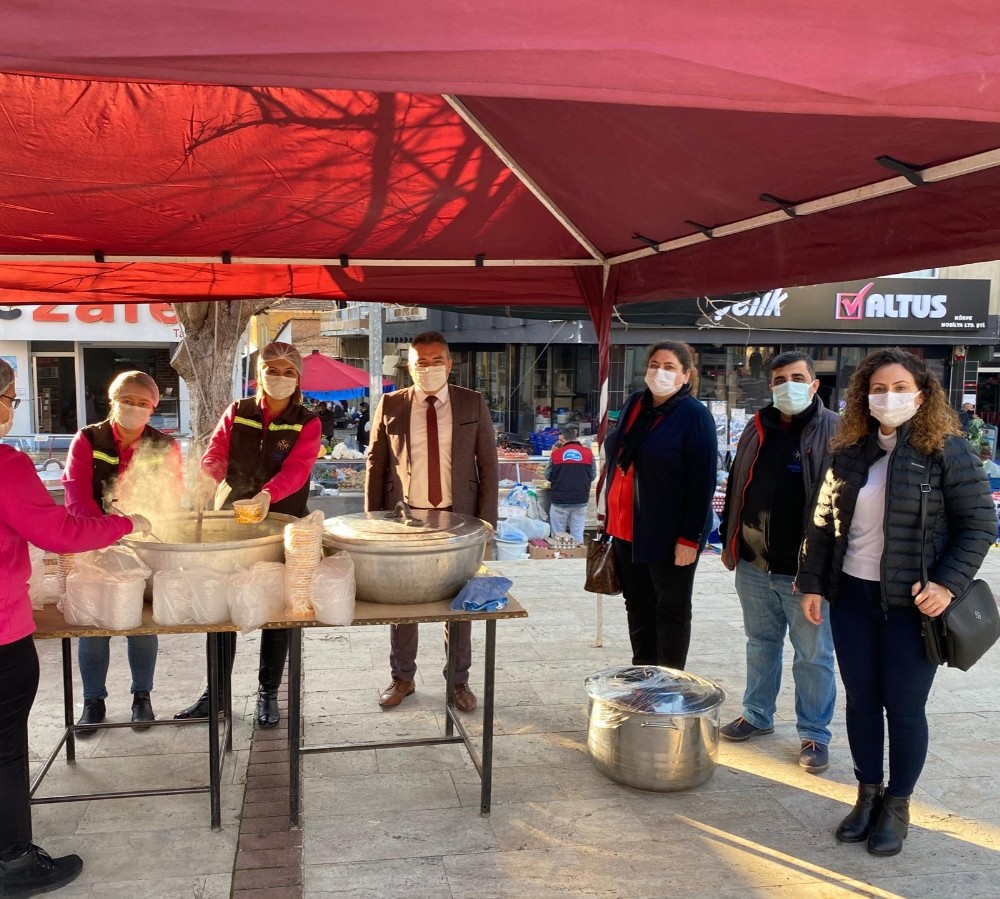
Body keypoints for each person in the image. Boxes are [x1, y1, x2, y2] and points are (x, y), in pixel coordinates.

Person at [798, 348, 994, 857]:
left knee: (904, 709)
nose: (889, 397)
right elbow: (822, 523)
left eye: (900, 388)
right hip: (852, 598)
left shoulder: (947, 450)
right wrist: (812, 583)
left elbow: (980, 525)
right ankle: (867, 795)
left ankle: (898, 805)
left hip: (913, 606)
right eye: (878, 389)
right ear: (864, 396)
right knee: (862, 703)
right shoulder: (851, 449)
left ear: (922, 395)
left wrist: (947, 584)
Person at [0, 359, 150, 897]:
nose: (11, 408)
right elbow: (59, 530)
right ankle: (13, 861)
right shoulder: (9, 465)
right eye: (12, 396)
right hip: (2, 633)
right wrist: (126, 524)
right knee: (5, 749)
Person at [176, 341, 321, 728]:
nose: (280, 377)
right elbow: (217, 452)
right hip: (232, 523)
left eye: (288, 372)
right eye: (272, 369)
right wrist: (207, 478)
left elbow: (299, 468)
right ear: (259, 374)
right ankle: (216, 694)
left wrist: (267, 494)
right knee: (221, 605)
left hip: (282, 521)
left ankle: (268, 693)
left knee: (277, 607)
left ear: (298, 378)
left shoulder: (307, 420)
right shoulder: (237, 411)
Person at [718, 352, 839, 773]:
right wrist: (729, 541)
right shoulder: (757, 427)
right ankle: (757, 714)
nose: (789, 384)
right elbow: (737, 485)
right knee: (760, 644)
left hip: (805, 575)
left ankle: (814, 734)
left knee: (813, 656)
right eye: (780, 378)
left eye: (798, 377)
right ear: (771, 386)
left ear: (814, 384)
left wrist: (821, 575)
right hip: (754, 565)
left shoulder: (836, 432)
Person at [366, 331, 498, 712]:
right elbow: (376, 465)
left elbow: (488, 465)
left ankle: (459, 682)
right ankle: (402, 678)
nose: (428, 367)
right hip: (404, 522)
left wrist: (487, 525)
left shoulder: (471, 403)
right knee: (403, 602)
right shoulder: (391, 404)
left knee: (461, 603)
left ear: (449, 363)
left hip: (459, 522)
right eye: (420, 361)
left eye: (436, 360)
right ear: (409, 366)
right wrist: (375, 521)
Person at [62, 371, 182, 735]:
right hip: (95, 542)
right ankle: (92, 701)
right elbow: (75, 493)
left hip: (144, 544)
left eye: (143, 403)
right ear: (112, 400)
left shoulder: (164, 445)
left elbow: (173, 495)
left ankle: (142, 697)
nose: (134, 407)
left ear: (153, 408)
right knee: (94, 624)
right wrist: (104, 528)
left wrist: (144, 519)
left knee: (141, 624)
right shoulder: (88, 439)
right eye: (126, 400)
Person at [602, 341, 717, 669]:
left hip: (669, 535)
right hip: (626, 530)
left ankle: (668, 681)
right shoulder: (635, 403)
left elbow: (702, 483)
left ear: (685, 375)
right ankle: (643, 672)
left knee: (671, 611)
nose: (659, 372)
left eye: (669, 367)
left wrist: (689, 539)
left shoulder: (695, 417)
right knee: (637, 606)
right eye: (654, 364)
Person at [544, 425, 595, 544]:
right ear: (576, 438)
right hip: (580, 500)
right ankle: (577, 558)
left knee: (558, 536)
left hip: (559, 501)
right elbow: (592, 475)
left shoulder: (556, 454)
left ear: (563, 438)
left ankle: (560, 558)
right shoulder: (588, 453)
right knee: (577, 535)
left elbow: (547, 474)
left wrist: (559, 479)